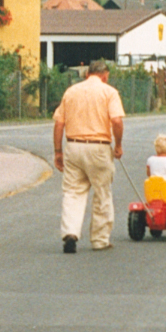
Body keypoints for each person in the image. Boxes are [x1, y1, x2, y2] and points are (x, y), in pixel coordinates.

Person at [52, 59, 125, 253]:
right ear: (105, 76)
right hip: (99, 147)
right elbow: (117, 121)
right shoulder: (109, 92)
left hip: (73, 146)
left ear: (87, 74)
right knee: (102, 193)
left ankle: (70, 233)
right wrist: (118, 145)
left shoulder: (71, 92)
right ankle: (100, 240)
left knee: (73, 192)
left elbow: (59, 124)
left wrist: (58, 151)